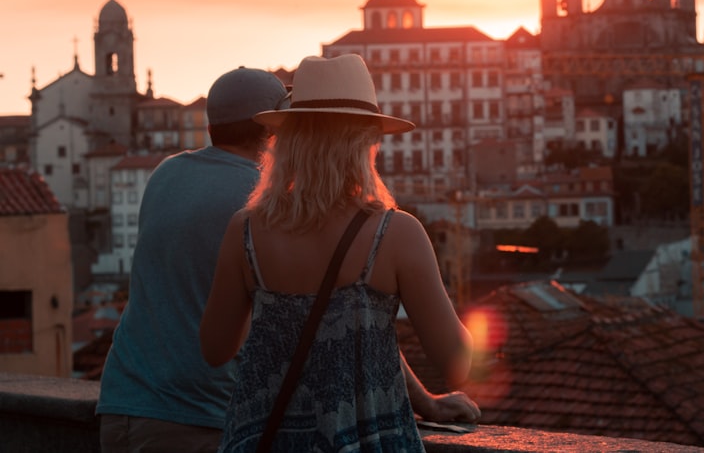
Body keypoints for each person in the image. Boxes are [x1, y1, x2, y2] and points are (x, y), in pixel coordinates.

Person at [97, 65, 477, 453]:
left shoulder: (217, 209)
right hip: (235, 423)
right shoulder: (393, 232)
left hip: (144, 406)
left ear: (288, 136)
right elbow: (446, 359)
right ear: (366, 141)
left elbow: (215, 347)